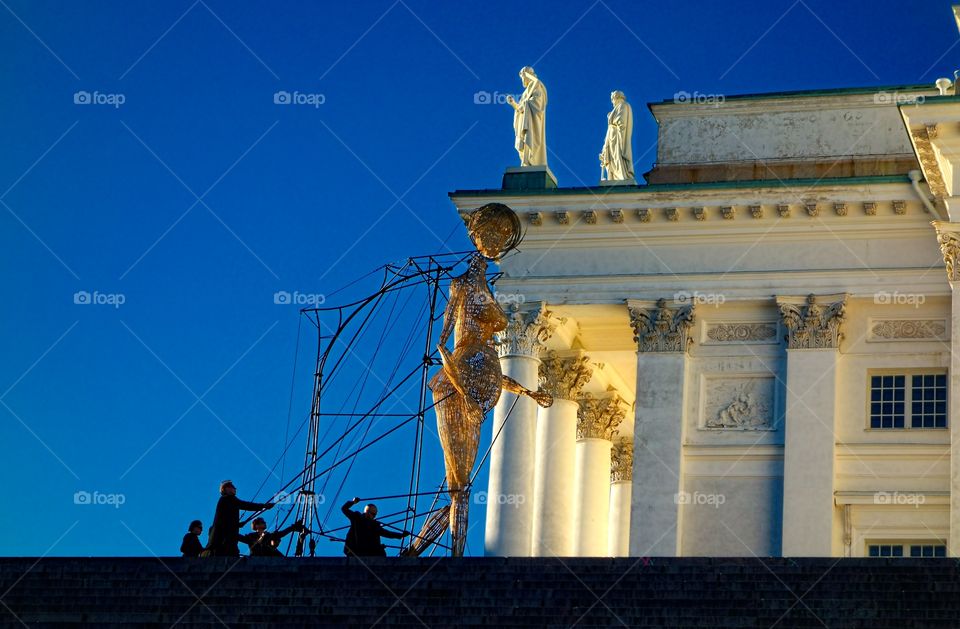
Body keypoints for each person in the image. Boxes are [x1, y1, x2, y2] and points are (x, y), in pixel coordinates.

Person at [429, 203, 553, 555]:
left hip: (484, 390)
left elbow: (494, 366)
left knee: (459, 481)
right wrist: (462, 391)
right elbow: (442, 343)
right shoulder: (462, 285)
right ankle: (454, 554)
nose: (496, 240)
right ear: (475, 235)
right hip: (458, 389)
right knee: (459, 481)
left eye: (502, 236)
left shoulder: (489, 285)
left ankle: (433, 548)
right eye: (491, 234)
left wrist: (527, 392)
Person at [205, 480, 274, 557]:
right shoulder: (228, 498)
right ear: (226, 489)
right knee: (231, 555)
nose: (235, 488)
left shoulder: (225, 500)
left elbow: (226, 520)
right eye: (233, 487)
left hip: (223, 538)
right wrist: (263, 506)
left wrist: (237, 524)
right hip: (225, 539)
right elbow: (245, 505)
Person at [505, 67, 548, 167]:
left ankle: (531, 161)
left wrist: (527, 74)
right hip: (525, 122)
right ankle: (526, 162)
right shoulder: (526, 92)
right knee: (525, 144)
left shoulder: (537, 85)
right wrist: (513, 103)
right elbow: (521, 109)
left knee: (531, 141)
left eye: (523, 77)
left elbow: (538, 103)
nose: (522, 80)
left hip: (532, 123)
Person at [341, 497, 409, 557]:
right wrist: (353, 502)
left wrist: (401, 535)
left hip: (368, 551)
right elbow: (344, 509)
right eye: (373, 514)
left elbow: (387, 533)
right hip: (356, 550)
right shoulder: (357, 517)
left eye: (375, 515)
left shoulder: (374, 525)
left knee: (382, 553)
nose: (374, 517)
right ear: (367, 512)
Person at [599, 90, 634, 181]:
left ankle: (621, 176)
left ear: (617, 98)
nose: (612, 102)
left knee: (617, 157)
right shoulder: (619, 107)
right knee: (612, 158)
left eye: (613, 99)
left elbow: (621, 121)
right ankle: (613, 177)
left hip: (617, 137)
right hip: (611, 136)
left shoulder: (623, 105)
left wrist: (611, 118)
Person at [239, 517, 305, 557]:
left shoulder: (268, 535)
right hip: (256, 557)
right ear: (256, 526)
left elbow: (281, 534)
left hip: (268, 556)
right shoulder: (251, 536)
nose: (265, 523)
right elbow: (240, 538)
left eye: (264, 522)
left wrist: (292, 528)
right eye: (262, 522)